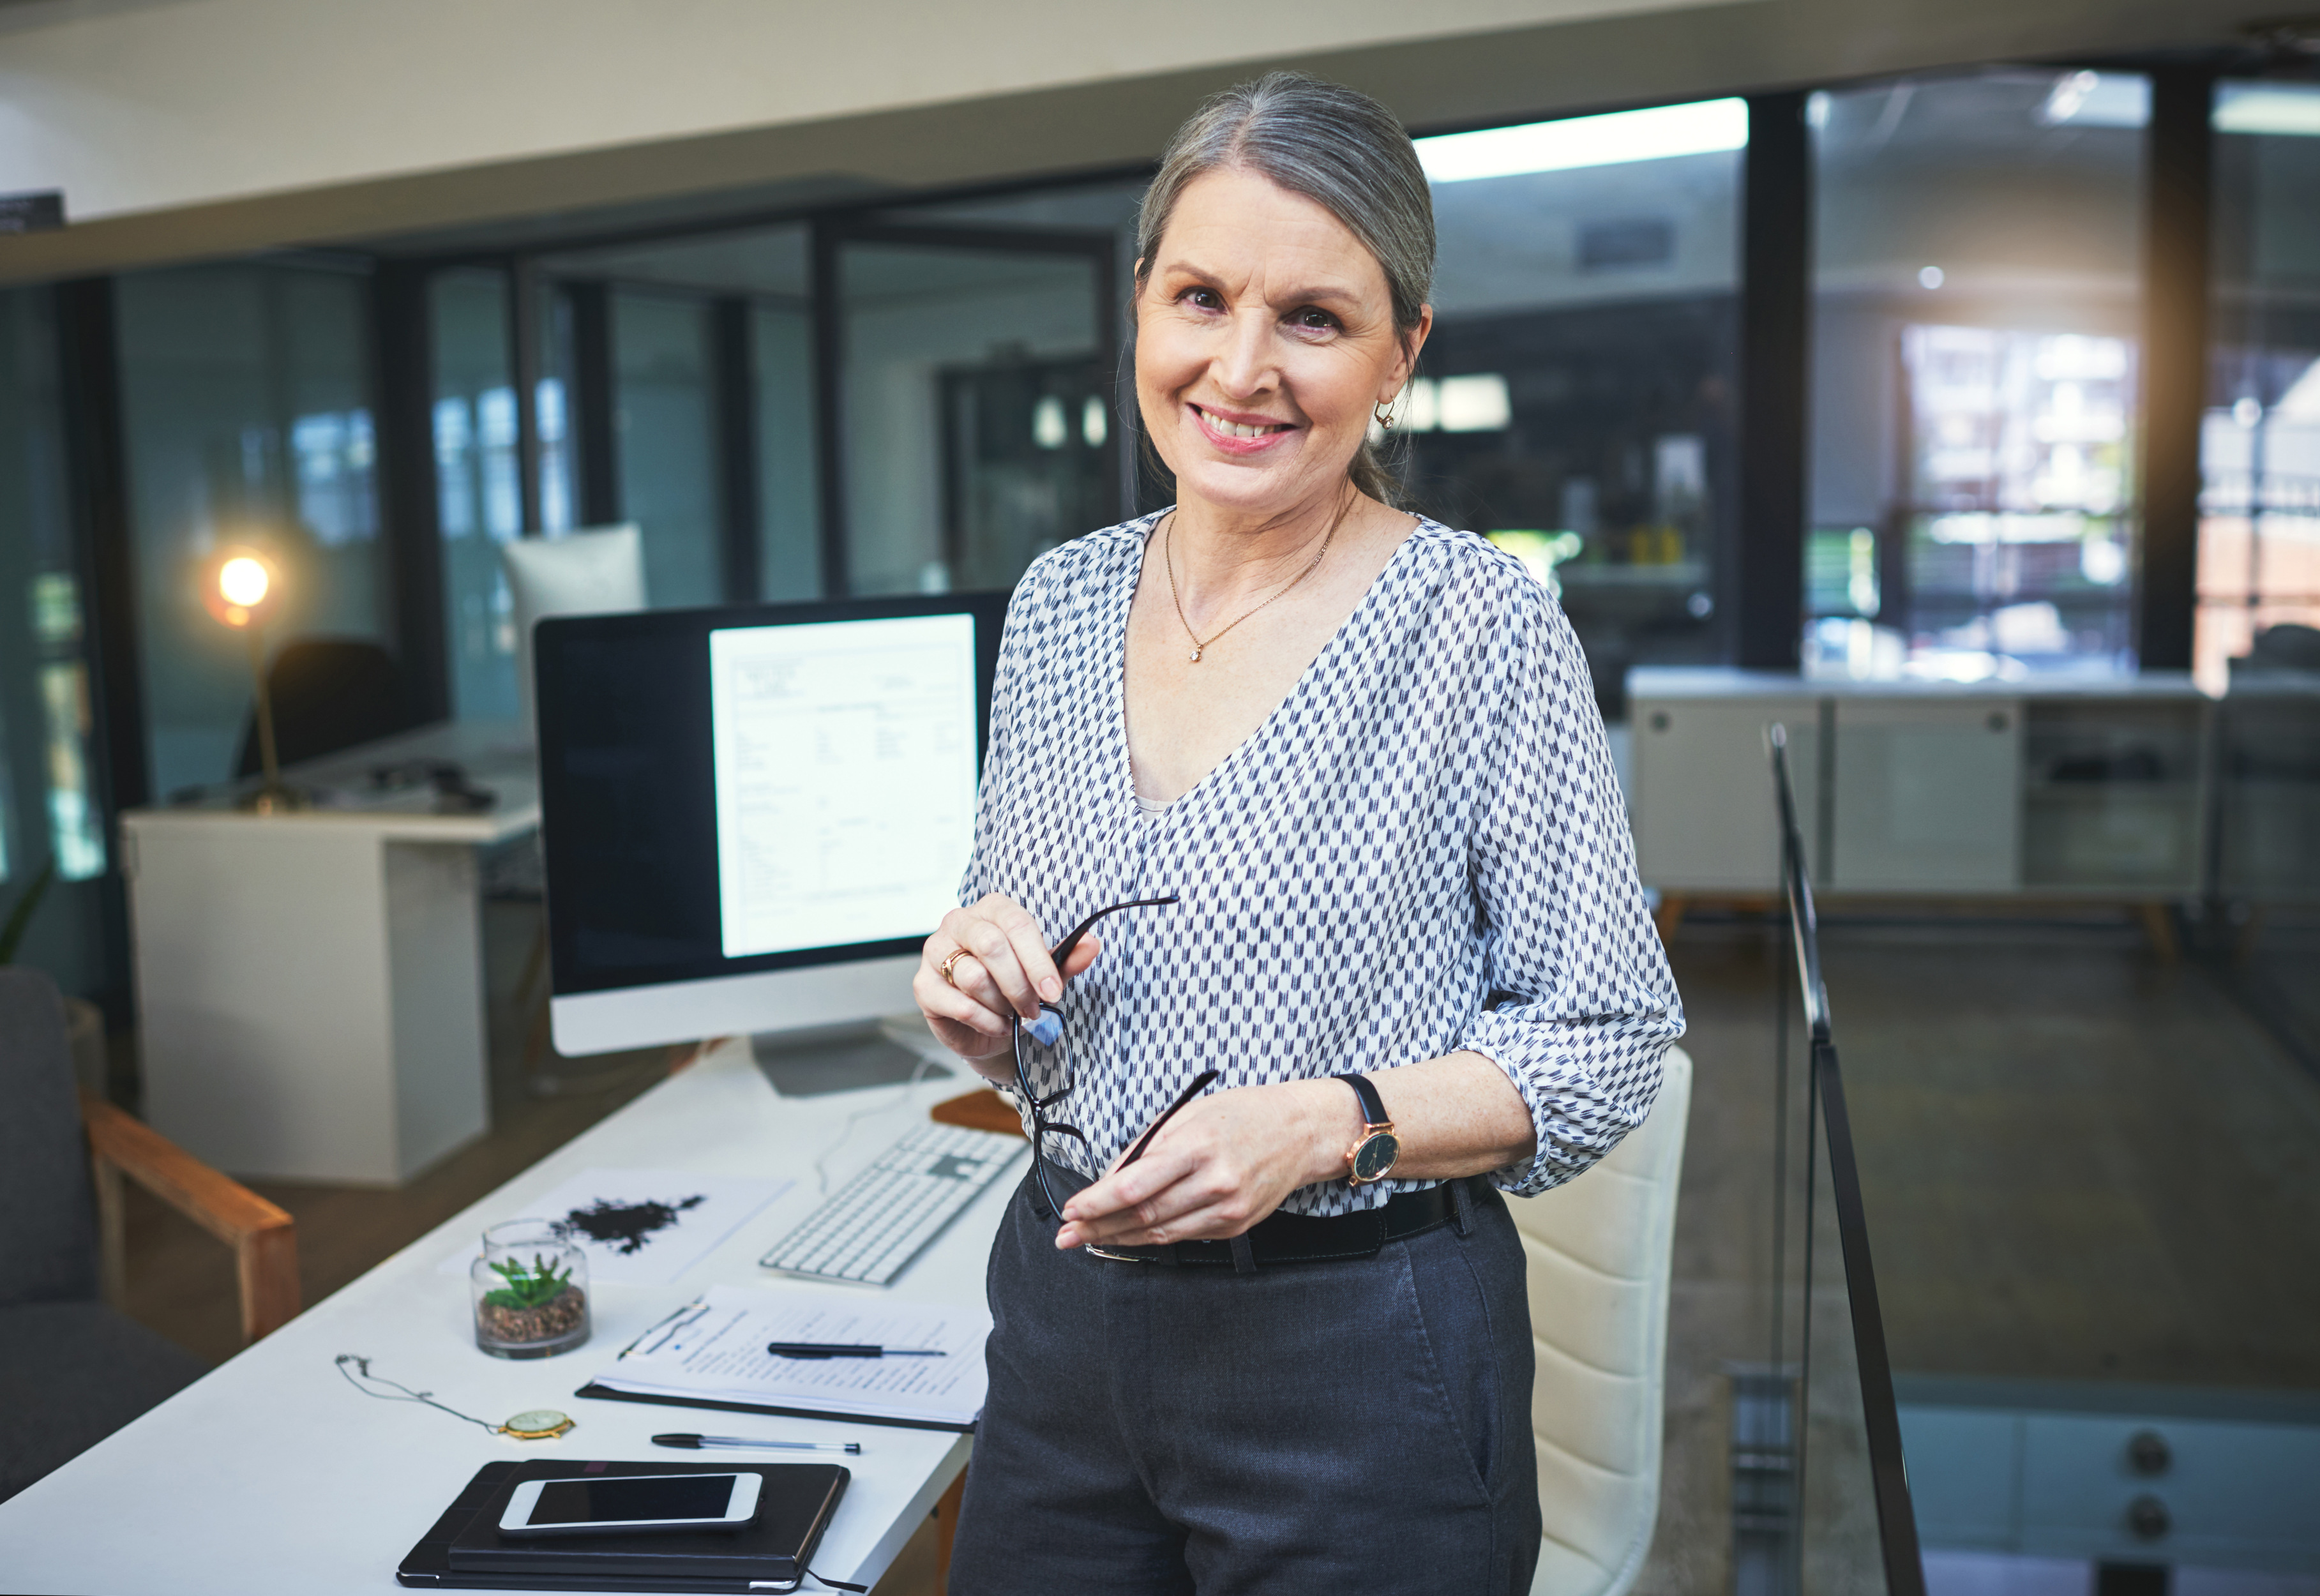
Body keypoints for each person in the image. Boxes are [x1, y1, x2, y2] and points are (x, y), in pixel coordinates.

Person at [913, 72, 1685, 1595]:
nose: (1240, 368)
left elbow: (1606, 1032)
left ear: (1401, 351)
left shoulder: (1480, 628)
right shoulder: (1059, 602)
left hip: (1358, 1360)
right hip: (1063, 1324)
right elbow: (1010, 933)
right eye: (1199, 296)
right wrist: (967, 978)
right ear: (1139, 303)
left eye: (1314, 320)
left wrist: (1326, 1120)